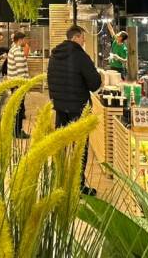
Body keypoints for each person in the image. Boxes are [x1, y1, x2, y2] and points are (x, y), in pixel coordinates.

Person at [47, 25, 103, 196]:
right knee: (80, 147)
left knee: (60, 145)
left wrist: (56, 99)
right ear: (76, 37)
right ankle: (78, 184)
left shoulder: (55, 55)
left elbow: (50, 79)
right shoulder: (80, 56)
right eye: (83, 37)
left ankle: (58, 181)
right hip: (78, 108)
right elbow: (94, 84)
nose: (84, 41)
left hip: (60, 108)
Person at [7, 32, 31, 139]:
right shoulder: (17, 51)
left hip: (14, 84)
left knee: (17, 109)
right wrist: (25, 85)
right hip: (18, 85)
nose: (25, 41)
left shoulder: (14, 49)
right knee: (19, 109)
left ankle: (16, 130)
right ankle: (17, 132)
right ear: (20, 40)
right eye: (24, 39)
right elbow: (21, 71)